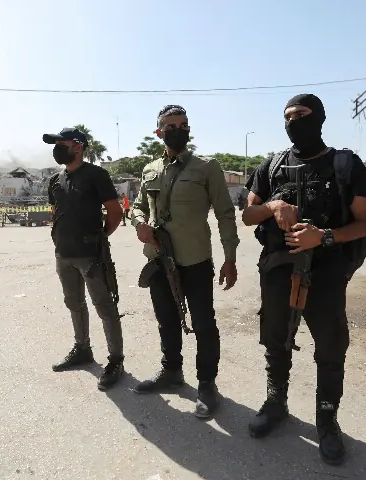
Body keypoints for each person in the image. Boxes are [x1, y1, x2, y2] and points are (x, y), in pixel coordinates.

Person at [242, 94, 366, 465]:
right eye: (286, 116)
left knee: (330, 347)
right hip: (278, 268)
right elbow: (249, 214)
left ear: (320, 117)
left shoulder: (346, 165)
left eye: (300, 114)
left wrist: (324, 236)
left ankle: (327, 419)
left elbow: (364, 223)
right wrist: (273, 206)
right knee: (276, 339)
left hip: (327, 272)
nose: (292, 121)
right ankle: (276, 401)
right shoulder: (273, 164)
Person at [130, 104, 239, 419]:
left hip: (195, 261)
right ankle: (172, 372)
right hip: (159, 260)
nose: (177, 129)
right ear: (158, 132)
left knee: (204, 324)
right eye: (170, 125)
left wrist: (229, 258)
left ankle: (207, 385)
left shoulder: (207, 167)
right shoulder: (150, 169)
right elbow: (138, 205)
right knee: (166, 319)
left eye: (183, 124)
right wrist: (139, 223)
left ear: (189, 129)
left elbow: (225, 214)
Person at [44, 127, 126, 390]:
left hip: (90, 254)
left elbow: (114, 212)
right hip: (63, 254)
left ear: (77, 147)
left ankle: (116, 360)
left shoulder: (96, 175)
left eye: (61, 143)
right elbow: (55, 212)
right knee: (74, 304)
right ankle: (82, 349)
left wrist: (101, 237)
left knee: (104, 307)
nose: (57, 148)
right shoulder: (55, 180)